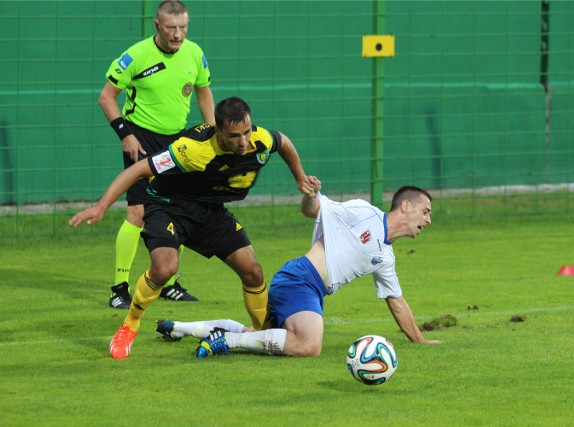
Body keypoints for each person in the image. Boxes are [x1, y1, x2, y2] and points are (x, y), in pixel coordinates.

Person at [70, 96, 310, 359]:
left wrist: (300, 177)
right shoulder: (191, 150)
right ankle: (130, 324)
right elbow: (138, 170)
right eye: (234, 136)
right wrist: (102, 206)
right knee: (165, 268)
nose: (243, 142)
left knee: (252, 271)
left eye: (246, 132)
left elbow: (283, 142)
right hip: (168, 206)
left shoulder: (259, 139)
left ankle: (263, 332)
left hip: (210, 211)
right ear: (218, 131)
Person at [155, 179, 442, 358]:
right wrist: (311, 194)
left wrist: (420, 340)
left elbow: (397, 302)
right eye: (426, 211)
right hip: (300, 279)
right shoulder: (364, 212)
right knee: (308, 345)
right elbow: (312, 209)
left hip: (311, 290)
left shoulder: (387, 257)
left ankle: (182, 328)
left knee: (263, 332)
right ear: (405, 206)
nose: (428, 220)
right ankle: (228, 341)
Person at [98, 0, 215, 309]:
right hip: (141, 138)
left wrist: (213, 131)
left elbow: (203, 91)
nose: (177, 35)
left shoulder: (195, 53)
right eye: (171, 28)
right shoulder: (136, 56)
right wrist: (125, 134)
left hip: (178, 142)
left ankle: (169, 284)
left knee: (178, 210)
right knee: (137, 212)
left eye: (183, 28)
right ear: (157, 26)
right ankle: (119, 288)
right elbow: (106, 97)